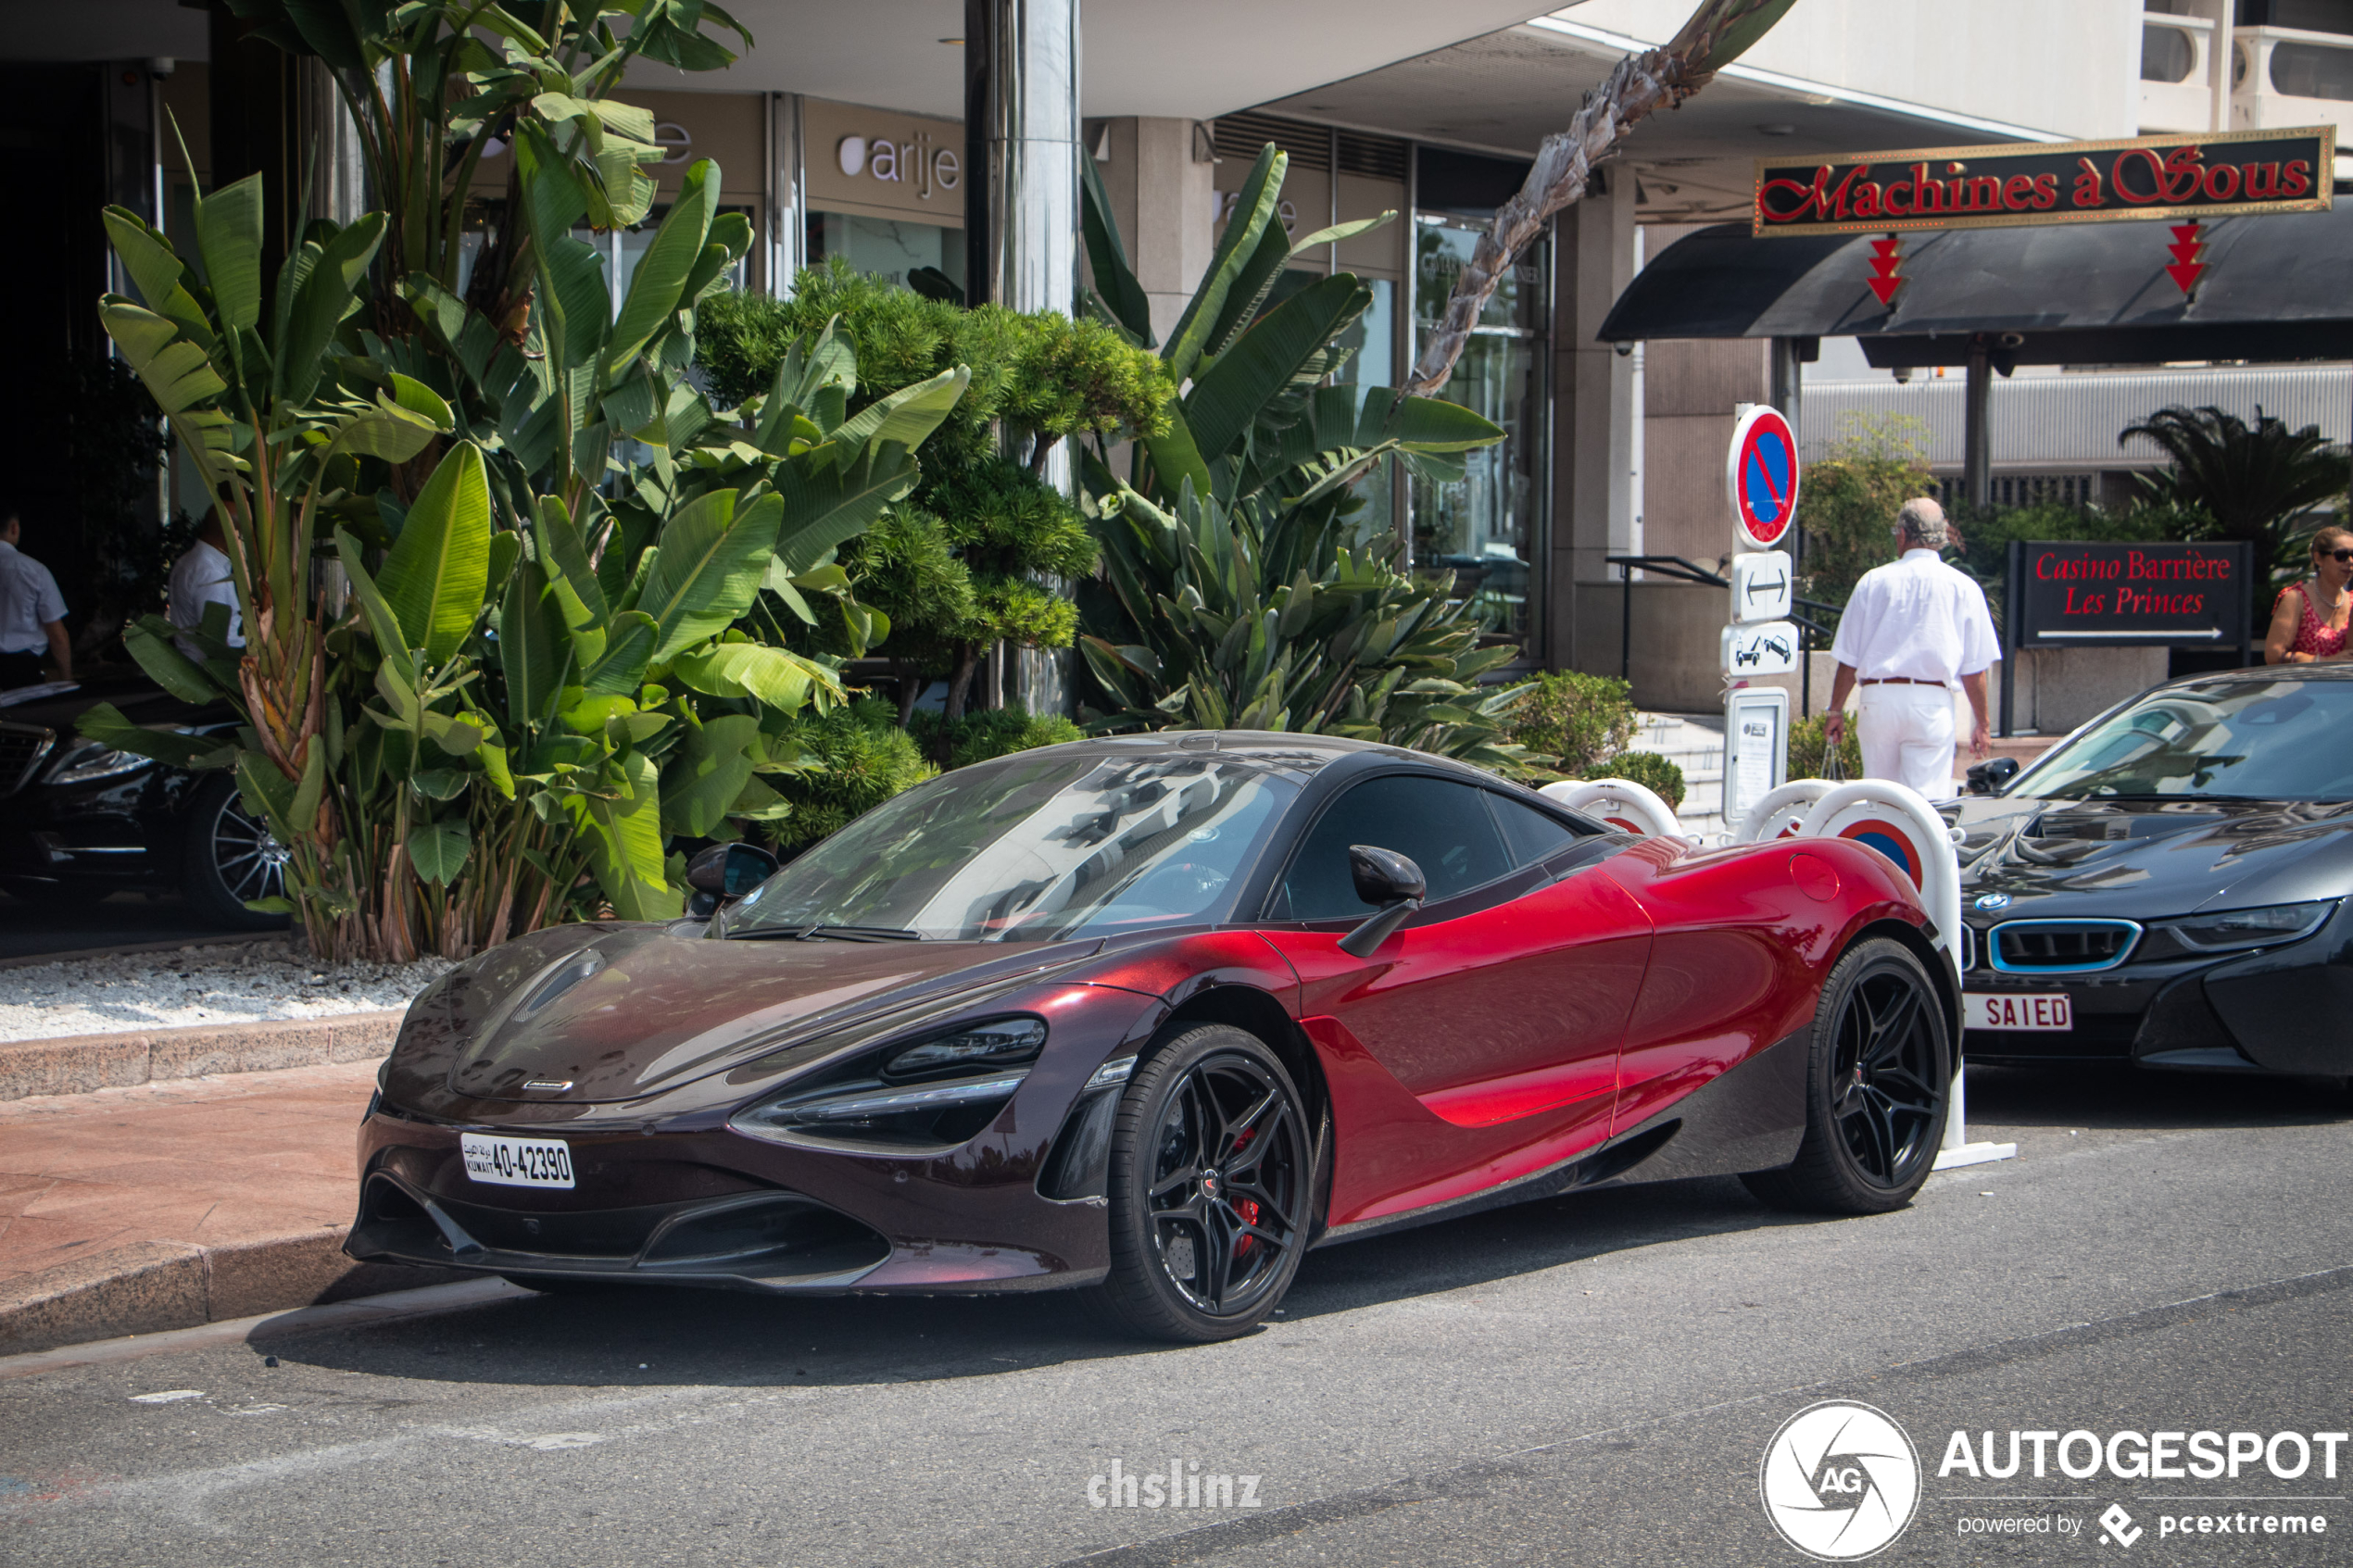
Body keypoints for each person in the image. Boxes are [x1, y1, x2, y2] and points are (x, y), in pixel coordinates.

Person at [1822, 496, 1998, 798]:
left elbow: (1849, 660)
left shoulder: (1872, 582)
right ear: (1941, 538)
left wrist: (1835, 710)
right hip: (1932, 702)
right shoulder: (1964, 587)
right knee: (1926, 805)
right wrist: (1982, 723)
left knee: (1877, 800)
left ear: (1902, 534)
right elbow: (1974, 670)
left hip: (1878, 699)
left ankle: (1877, 846)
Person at [2261, 524, 2353, 665]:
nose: (2350, 562)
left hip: (2342, 686)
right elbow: (2274, 656)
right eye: (2341, 556)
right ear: (2318, 558)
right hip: (2302, 685)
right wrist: (2325, 661)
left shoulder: (2351, 601)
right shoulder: (2296, 598)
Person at [0, 508, 70, 689]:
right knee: (19, 718)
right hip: (21, 671)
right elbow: (57, 635)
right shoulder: (34, 571)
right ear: (14, 528)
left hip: (21, 666)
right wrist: (66, 679)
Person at [169, 510, 245, 662]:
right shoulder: (211, 572)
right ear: (233, 535)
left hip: (190, 660)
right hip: (212, 670)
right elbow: (216, 639)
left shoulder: (187, 561)